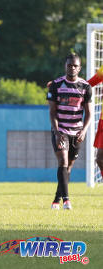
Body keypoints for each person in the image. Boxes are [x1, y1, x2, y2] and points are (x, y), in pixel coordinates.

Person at [47, 53, 93, 210]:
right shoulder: (56, 85)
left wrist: (84, 130)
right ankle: (66, 201)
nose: (72, 68)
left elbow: (89, 113)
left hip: (77, 132)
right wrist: (57, 131)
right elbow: (52, 112)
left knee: (69, 167)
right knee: (63, 162)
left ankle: (56, 199)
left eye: (75, 65)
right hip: (61, 130)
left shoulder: (86, 87)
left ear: (79, 68)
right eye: (69, 65)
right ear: (65, 66)